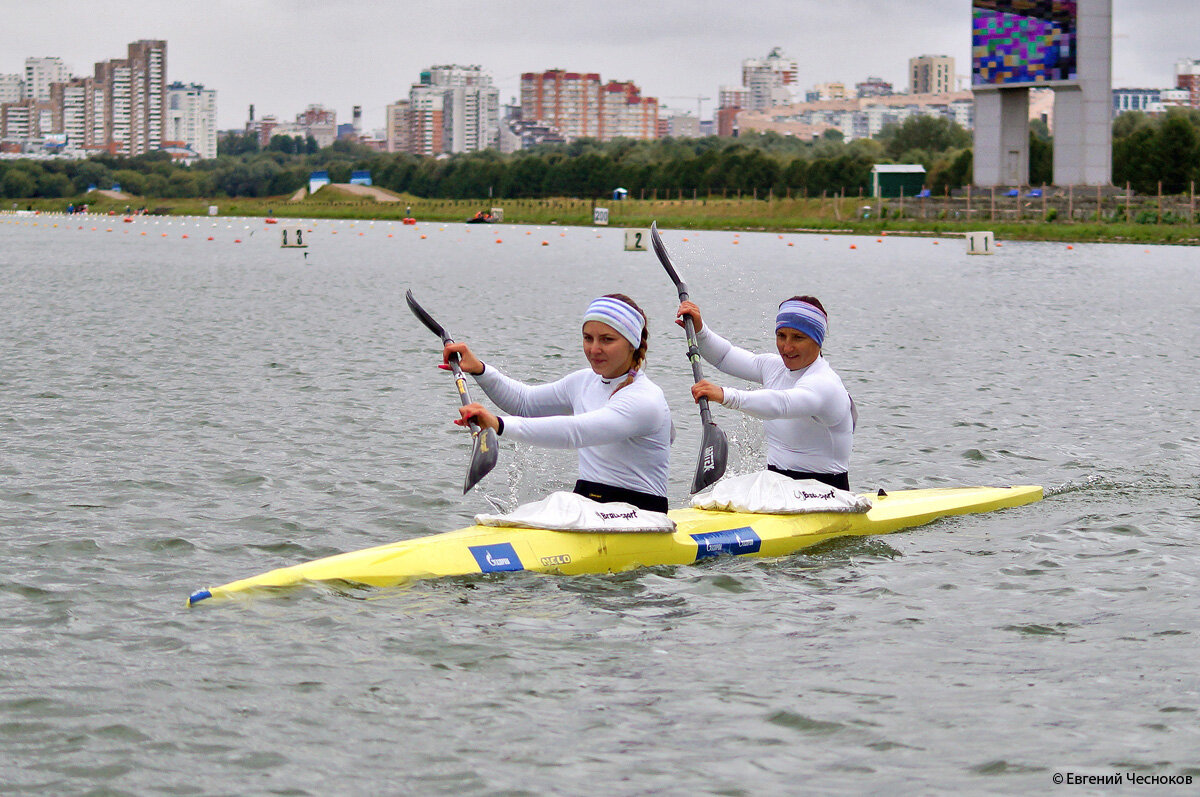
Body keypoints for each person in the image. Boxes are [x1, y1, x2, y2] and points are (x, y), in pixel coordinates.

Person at [446, 294, 673, 512]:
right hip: (587, 502)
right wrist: (479, 369)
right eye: (588, 338)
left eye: (607, 339)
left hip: (640, 512)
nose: (594, 349)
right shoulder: (582, 382)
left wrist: (498, 424)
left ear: (632, 343)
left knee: (556, 504)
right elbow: (525, 402)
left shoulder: (645, 399)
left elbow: (576, 432)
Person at [677, 295, 855, 491]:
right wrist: (699, 330)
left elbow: (782, 404)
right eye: (781, 336)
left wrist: (724, 395)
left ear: (817, 340)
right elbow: (724, 356)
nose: (787, 347)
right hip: (777, 488)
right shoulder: (773, 367)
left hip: (826, 493)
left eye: (798, 337)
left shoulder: (825, 384)